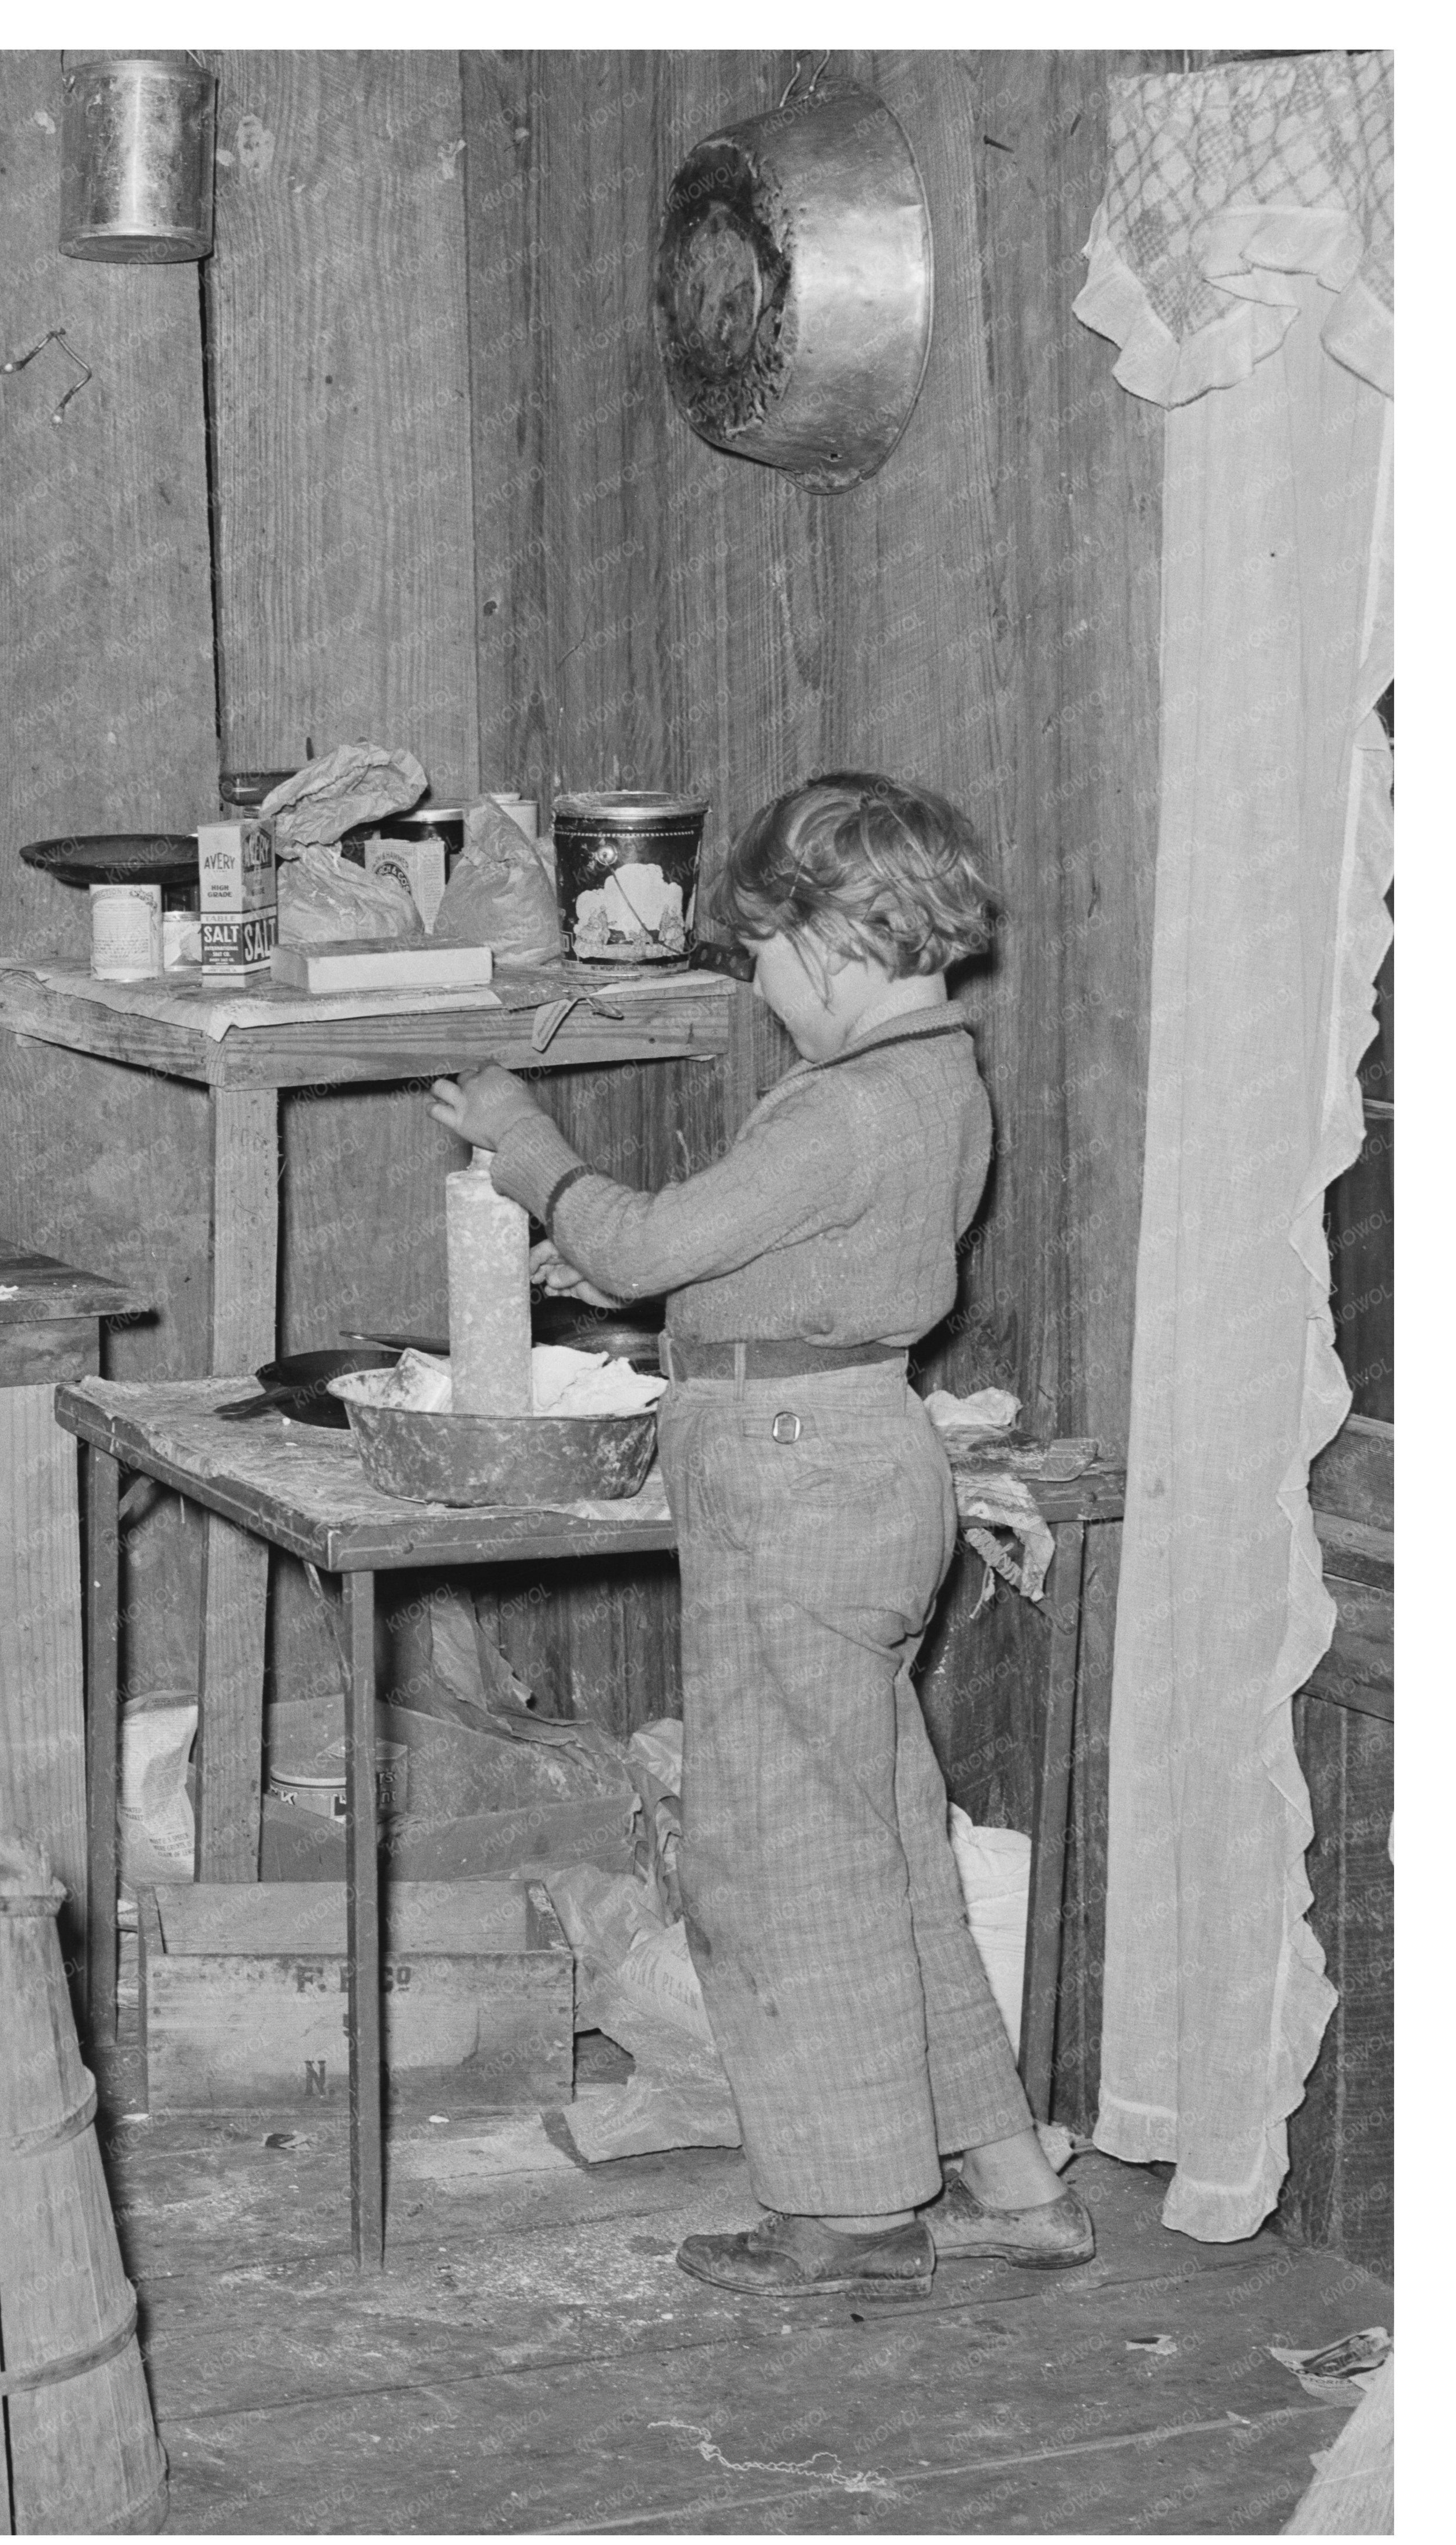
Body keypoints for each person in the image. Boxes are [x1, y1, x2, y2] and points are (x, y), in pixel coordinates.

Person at [430, 770, 1092, 2299]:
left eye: (769, 962)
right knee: (881, 1848)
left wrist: (529, 1144)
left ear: (840, 944)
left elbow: (658, 1239)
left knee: (785, 1856)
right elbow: (766, 1269)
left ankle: (852, 2209)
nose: (770, 993)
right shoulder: (937, 1081)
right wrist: (609, 1278)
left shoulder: (852, 1103)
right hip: (855, 1448)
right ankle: (1005, 2180)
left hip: (798, 1478)